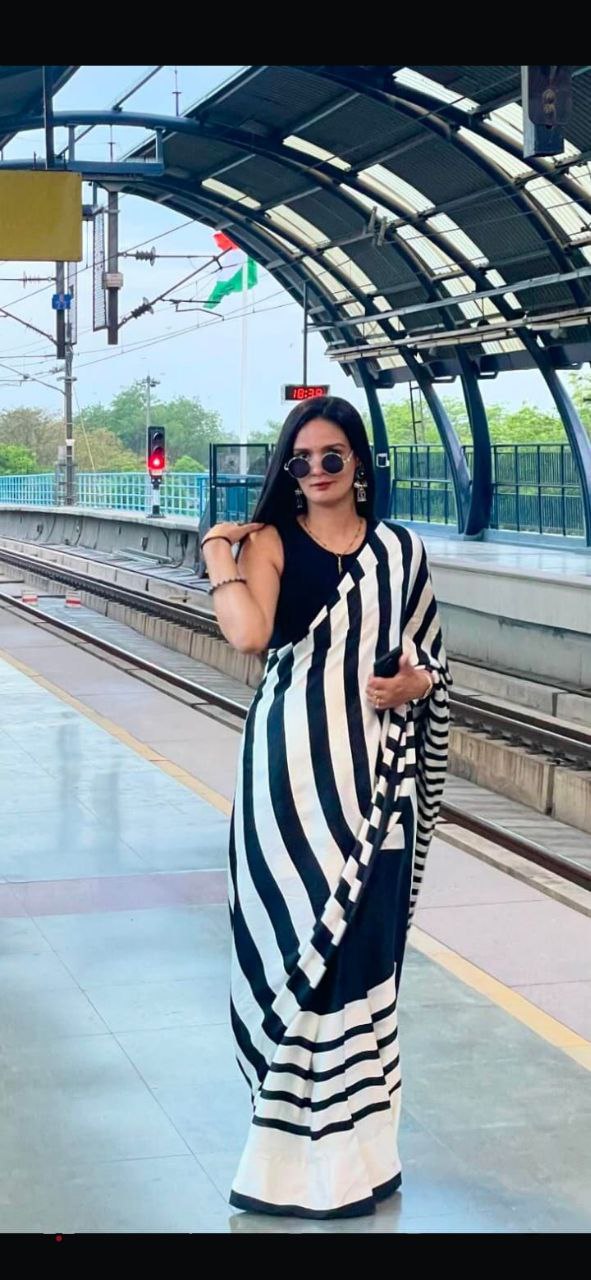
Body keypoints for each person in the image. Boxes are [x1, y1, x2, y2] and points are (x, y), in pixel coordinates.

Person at [201, 396, 451, 1220]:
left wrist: (415, 684)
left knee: (365, 958)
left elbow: (432, 662)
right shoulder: (270, 543)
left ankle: (362, 1159)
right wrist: (218, 555)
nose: (314, 472)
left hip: (379, 785)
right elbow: (247, 637)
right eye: (299, 460)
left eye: (331, 457)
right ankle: (287, 1169)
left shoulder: (401, 553)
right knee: (298, 962)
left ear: (359, 464)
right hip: (287, 780)